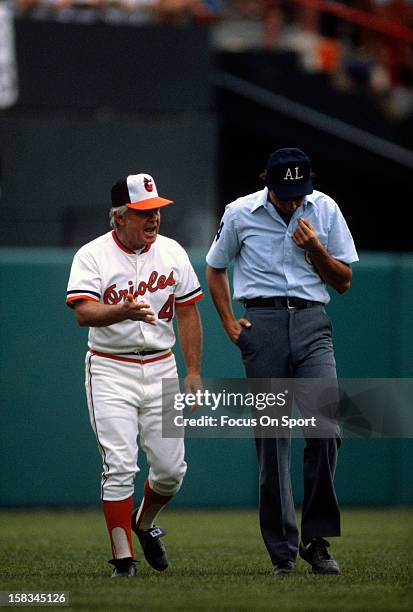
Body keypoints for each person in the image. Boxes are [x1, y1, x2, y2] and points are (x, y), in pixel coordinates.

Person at [206, 148, 358, 575]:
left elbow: (343, 281)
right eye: (284, 194)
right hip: (263, 323)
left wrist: (316, 250)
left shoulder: (325, 209)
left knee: (326, 427)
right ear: (266, 182)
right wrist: (228, 324)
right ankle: (281, 551)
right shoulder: (240, 213)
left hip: (312, 322)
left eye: (298, 194)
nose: (292, 203)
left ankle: (317, 540)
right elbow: (215, 267)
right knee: (272, 442)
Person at [66, 172, 203, 577]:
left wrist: (193, 370)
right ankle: (122, 560)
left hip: (162, 365)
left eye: (156, 210)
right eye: (143, 212)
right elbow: (82, 312)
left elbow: (188, 311)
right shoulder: (92, 255)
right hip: (110, 367)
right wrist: (120, 312)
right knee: (120, 464)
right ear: (118, 217)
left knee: (171, 471)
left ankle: (143, 524)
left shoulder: (173, 252)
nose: (153, 219)